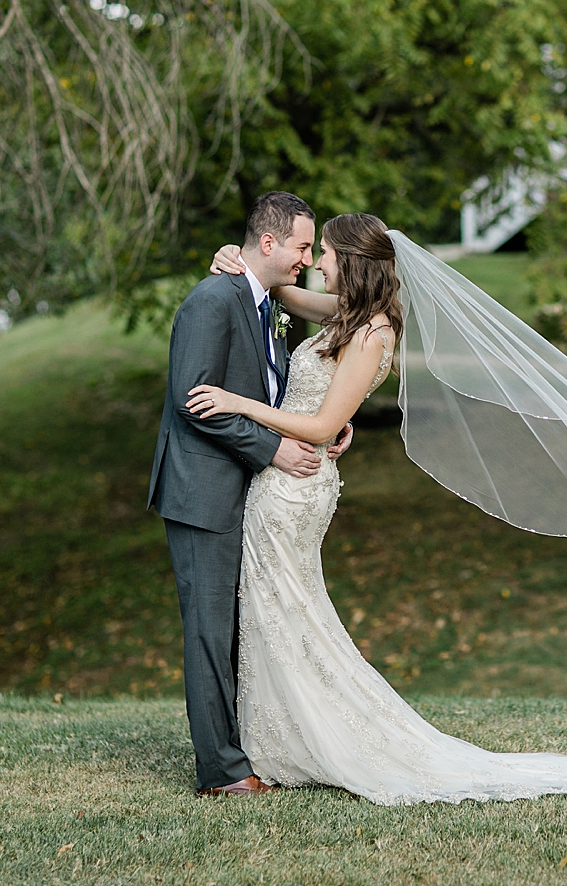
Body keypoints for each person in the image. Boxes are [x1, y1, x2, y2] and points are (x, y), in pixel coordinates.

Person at [188, 211, 567, 805]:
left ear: (353, 262)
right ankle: (276, 739)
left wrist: (238, 403)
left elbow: (324, 422)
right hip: (291, 484)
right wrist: (234, 258)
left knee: (290, 611)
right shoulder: (349, 317)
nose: (315, 264)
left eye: (326, 254)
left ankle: (310, 738)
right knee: (280, 612)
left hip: (296, 486)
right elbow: (274, 288)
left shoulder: (370, 333)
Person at [146, 191, 352, 798]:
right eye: (301, 246)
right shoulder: (212, 300)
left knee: (242, 626)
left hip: (246, 490)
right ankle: (223, 773)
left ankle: (248, 749)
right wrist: (273, 450)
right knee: (210, 629)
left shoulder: (265, 304)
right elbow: (194, 397)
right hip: (202, 491)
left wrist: (325, 423)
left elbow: (272, 388)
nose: (308, 259)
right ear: (268, 243)